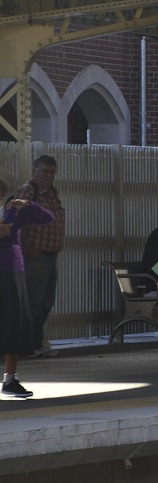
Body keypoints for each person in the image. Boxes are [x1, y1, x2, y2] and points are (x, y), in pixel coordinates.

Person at [1, 174, 53, 399]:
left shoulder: (14, 211)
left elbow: (47, 218)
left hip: (11, 268)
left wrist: (28, 204)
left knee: (13, 322)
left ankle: (10, 378)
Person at [16, 155, 65, 357]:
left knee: (46, 302)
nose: (48, 175)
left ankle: (36, 343)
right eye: (44, 171)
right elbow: (18, 221)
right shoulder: (29, 191)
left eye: (52, 172)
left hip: (50, 255)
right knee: (32, 303)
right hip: (35, 256)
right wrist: (27, 248)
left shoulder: (52, 192)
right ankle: (25, 346)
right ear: (34, 171)